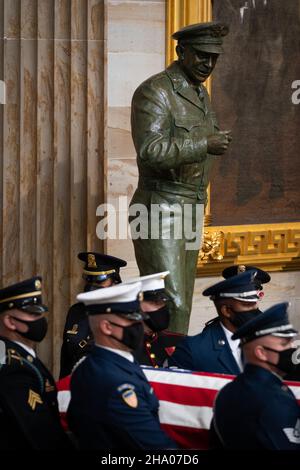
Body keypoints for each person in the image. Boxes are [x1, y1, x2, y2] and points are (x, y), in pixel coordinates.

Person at [129, 22, 232, 334]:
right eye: (201, 55)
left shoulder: (199, 93)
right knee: (170, 302)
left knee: (181, 300)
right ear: (180, 51)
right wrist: (204, 144)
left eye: (214, 58)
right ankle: (163, 375)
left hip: (190, 206)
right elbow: (150, 150)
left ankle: (170, 372)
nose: (208, 64)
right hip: (160, 208)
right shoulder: (155, 91)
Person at [67, 282, 177, 450]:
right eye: (131, 319)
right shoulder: (115, 383)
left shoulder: (99, 364)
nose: (139, 325)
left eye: (139, 317)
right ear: (107, 326)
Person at [211, 302, 300, 449]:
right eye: (284, 344)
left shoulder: (229, 390)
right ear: (261, 353)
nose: (291, 349)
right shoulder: (274, 398)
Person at [0, 277, 71, 450]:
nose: (40, 319)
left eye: (40, 313)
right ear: (9, 321)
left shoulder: (22, 355)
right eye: (32, 314)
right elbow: (39, 432)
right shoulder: (12, 366)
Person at [167, 270, 262, 374]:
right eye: (247, 305)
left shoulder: (269, 339)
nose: (255, 310)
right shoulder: (194, 350)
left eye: (255, 304)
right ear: (226, 311)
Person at [59, 252, 126, 378]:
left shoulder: (124, 315)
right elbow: (66, 360)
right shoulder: (76, 311)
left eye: (99, 281)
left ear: (115, 281)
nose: (92, 286)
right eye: (89, 279)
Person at [128, 272, 185, 367]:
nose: (162, 308)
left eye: (163, 302)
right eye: (155, 303)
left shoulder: (180, 341)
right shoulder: (122, 347)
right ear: (136, 306)